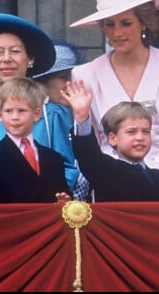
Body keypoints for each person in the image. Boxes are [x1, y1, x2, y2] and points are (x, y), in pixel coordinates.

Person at [69, 0, 159, 201]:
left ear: (144, 23)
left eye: (126, 23)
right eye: (109, 24)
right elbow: (88, 147)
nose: (117, 32)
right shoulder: (85, 74)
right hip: (112, 196)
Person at [0, 13, 79, 196]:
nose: (6, 58)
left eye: (16, 51)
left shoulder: (50, 113)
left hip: (38, 216)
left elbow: (68, 168)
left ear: (30, 59)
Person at [61, 80, 159, 202]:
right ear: (113, 138)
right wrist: (82, 116)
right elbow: (87, 154)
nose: (140, 137)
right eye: (131, 132)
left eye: (146, 131)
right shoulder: (105, 172)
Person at [0, 77, 71, 203]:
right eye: (8, 111)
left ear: (36, 114)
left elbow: (64, 197)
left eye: (21, 111)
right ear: (0, 115)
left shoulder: (53, 158)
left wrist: (65, 202)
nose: (14, 117)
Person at [33, 42, 91, 201]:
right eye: (63, 77)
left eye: (74, 77)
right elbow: (66, 165)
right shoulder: (53, 112)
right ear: (43, 82)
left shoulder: (74, 110)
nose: (70, 84)